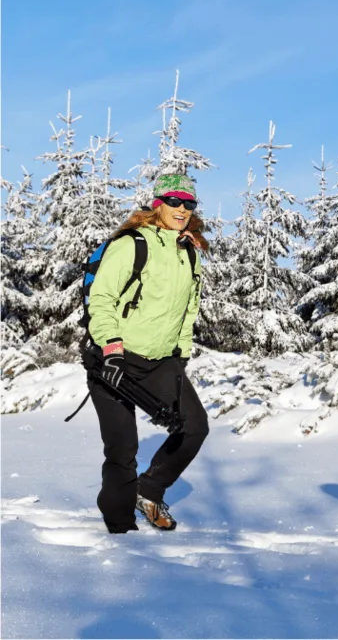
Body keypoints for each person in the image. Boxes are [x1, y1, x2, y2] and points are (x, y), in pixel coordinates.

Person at [87, 173, 209, 534]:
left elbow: (189, 309)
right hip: (115, 359)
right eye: (175, 201)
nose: (182, 209)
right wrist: (111, 347)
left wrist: (181, 355)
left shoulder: (189, 252)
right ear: (158, 204)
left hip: (161, 360)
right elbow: (103, 298)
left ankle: (149, 490)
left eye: (189, 203)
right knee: (123, 450)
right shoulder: (132, 243)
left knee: (194, 427)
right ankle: (120, 529)